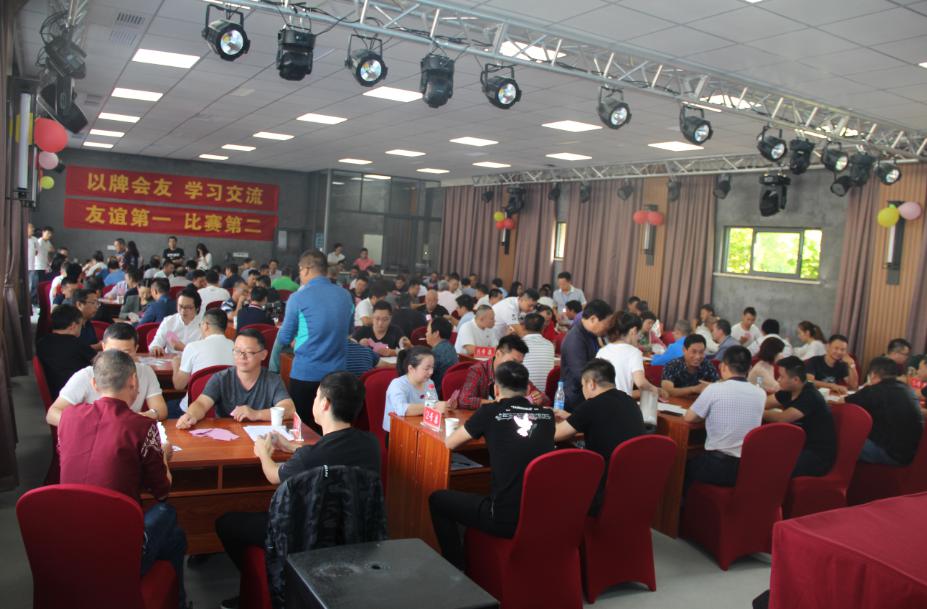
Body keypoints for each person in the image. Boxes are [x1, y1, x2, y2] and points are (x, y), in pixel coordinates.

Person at [214, 372, 379, 609]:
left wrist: (263, 452)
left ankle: (258, 583)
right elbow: (325, 457)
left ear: (325, 404)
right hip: (351, 533)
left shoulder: (310, 457)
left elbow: (273, 475)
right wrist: (292, 447)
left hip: (302, 535)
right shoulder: (371, 444)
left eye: (316, 396)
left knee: (226, 523)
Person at [56, 350, 187, 607]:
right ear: (134, 382)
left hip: (68, 541)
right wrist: (162, 456)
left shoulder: (68, 417)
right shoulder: (141, 426)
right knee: (168, 513)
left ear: (94, 384)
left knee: (175, 539)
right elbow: (162, 490)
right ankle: (176, 601)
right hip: (118, 550)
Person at [430, 361, 554, 569]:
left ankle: (456, 570)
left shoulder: (489, 413)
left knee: (437, 500)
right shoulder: (547, 416)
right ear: (527, 389)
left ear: (496, 389)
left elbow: (450, 443)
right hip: (540, 514)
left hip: (503, 518)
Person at [270, 250, 353, 427]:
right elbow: (349, 330)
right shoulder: (346, 296)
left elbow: (284, 337)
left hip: (306, 374)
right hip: (338, 375)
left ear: (306, 269)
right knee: (331, 428)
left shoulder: (298, 298)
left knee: (303, 430)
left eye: (300, 270)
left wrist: (297, 339)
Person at [554, 359, 644, 513]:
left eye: (583, 385)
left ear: (591, 384)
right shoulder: (630, 402)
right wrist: (573, 417)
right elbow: (605, 420)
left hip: (601, 489)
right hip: (631, 485)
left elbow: (556, 435)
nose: (583, 390)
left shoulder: (592, 405)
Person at [47, 323, 168, 425]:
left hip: (128, 432)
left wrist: (144, 416)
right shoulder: (85, 375)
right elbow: (52, 414)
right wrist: (90, 424)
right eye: (113, 352)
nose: (118, 359)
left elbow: (161, 409)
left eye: (126, 353)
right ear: (103, 347)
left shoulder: (145, 372)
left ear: (136, 349)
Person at [683, 346, 765, 492]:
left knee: (682, 467)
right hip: (745, 468)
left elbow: (690, 417)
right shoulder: (761, 393)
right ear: (749, 368)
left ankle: (684, 505)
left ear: (723, 366)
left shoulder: (715, 388)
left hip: (717, 466)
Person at [177, 329, 294, 429]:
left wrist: (256, 414)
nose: (242, 357)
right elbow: (201, 403)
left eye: (249, 352)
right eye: (237, 351)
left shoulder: (273, 380)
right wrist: (191, 415)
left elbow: (289, 409)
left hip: (262, 439)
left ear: (263, 355)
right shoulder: (221, 378)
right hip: (227, 437)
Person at [763, 356, 837, 477]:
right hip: (799, 445)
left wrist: (759, 412)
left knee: (775, 465)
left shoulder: (810, 396)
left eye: (782, 377)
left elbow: (782, 418)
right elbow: (764, 403)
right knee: (764, 453)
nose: (778, 380)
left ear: (796, 379)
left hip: (817, 454)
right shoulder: (789, 391)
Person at [846, 356, 924, 465]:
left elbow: (844, 404)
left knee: (842, 439)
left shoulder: (874, 390)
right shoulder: (907, 389)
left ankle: (840, 474)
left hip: (891, 455)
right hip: (910, 455)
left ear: (873, 375)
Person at [170, 309, 235, 417]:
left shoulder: (193, 347)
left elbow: (179, 385)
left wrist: (176, 365)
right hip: (227, 412)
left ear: (205, 326)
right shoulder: (236, 347)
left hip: (192, 412)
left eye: (200, 325)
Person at [458, 335, 550, 410]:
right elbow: (464, 401)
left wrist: (539, 398)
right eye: (513, 361)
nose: (516, 366)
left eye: (520, 363)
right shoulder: (478, 370)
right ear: (498, 354)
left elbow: (546, 399)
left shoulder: (516, 372)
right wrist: (499, 403)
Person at [560, 299, 613, 410]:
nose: (608, 328)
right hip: (575, 399)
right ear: (593, 319)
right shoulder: (575, 339)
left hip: (588, 393)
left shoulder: (591, 334)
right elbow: (581, 375)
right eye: (606, 324)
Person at [383, 347, 448, 434]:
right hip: (399, 433)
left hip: (422, 428)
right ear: (411, 369)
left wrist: (445, 406)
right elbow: (401, 409)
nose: (431, 372)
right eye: (427, 368)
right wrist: (433, 406)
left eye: (432, 367)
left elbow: (434, 403)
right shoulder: (398, 384)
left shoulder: (429, 382)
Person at [596, 312, 662, 398]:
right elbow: (640, 382)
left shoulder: (602, 351)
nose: (638, 338)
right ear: (633, 331)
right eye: (638, 334)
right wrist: (657, 390)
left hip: (601, 400)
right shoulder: (634, 352)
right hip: (621, 402)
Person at [36, 304, 96, 398]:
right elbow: (100, 362)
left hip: (54, 391)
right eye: (81, 325)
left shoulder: (42, 342)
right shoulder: (76, 344)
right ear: (73, 326)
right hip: (77, 393)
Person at [149, 290, 203, 356]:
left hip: (193, 360)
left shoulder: (204, 324)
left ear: (197, 308)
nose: (183, 311)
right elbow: (156, 342)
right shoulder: (169, 321)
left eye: (188, 307)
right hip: (171, 360)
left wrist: (183, 348)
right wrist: (156, 347)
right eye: (180, 306)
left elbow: (204, 352)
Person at [519, 313, 555, 392]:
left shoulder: (519, 344)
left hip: (525, 393)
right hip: (546, 394)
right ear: (543, 328)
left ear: (523, 326)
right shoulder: (550, 345)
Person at [426, 317, 458, 393]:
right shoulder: (451, 347)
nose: (426, 334)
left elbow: (422, 378)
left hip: (435, 394)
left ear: (436, 333)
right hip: (449, 392)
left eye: (427, 331)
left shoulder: (434, 354)